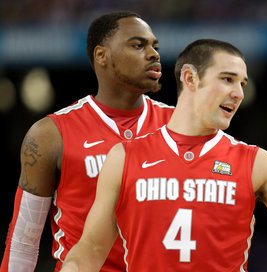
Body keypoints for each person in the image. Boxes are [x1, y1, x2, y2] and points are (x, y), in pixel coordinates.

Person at [60, 39, 267, 272]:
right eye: (228, 79)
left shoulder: (255, 162)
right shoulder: (124, 157)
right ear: (191, 79)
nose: (239, 93)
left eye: (242, 83)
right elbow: (92, 246)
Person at [0, 10, 174, 272]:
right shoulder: (50, 134)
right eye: (138, 45)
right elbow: (24, 242)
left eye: (155, 46)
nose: (153, 54)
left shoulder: (182, 126)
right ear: (101, 55)